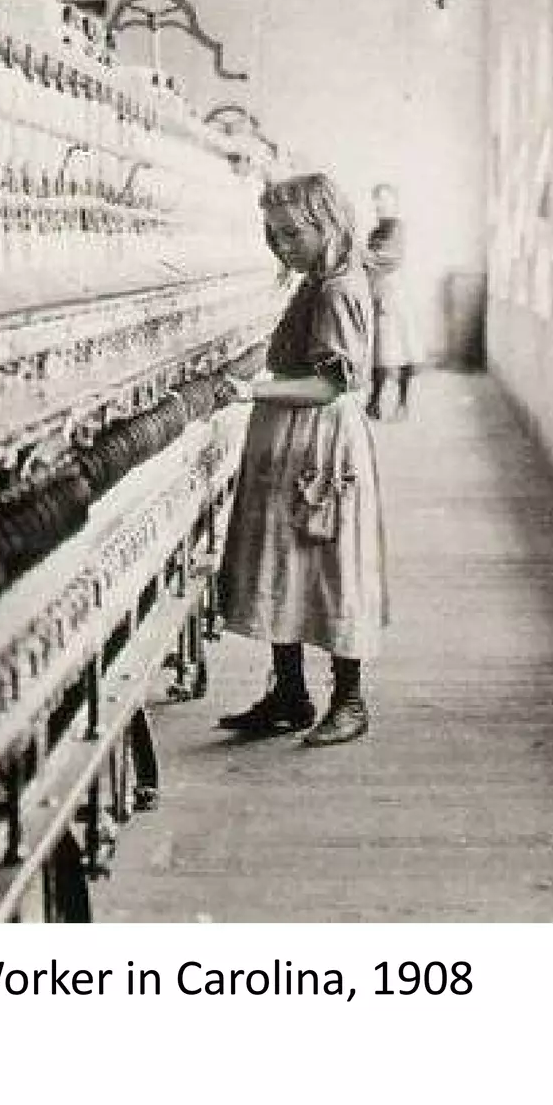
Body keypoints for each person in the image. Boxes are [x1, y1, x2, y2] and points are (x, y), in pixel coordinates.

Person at [211, 173, 389, 747]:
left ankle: (350, 700)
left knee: (329, 566)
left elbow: (328, 386)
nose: (279, 243)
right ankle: (289, 695)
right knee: (282, 562)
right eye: (272, 232)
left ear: (327, 225)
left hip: (319, 444)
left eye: (291, 232)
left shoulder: (337, 290)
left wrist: (250, 392)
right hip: (291, 442)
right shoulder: (318, 282)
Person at [363, 183, 422, 420]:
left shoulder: (397, 228)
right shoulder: (376, 230)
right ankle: (375, 402)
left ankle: (402, 402)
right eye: (376, 200)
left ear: (394, 203)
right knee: (380, 350)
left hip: (395, 292)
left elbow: (390, 259)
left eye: (384, 200)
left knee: (401, 349)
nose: (379, 204)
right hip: (378, 292)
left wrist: (363, 256)